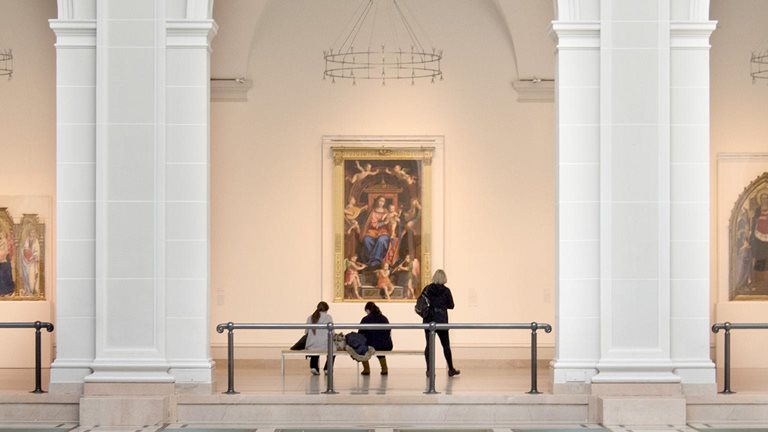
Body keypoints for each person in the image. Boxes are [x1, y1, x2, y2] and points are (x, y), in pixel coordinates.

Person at [421, 269, 460, 377]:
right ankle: (451, 369)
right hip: (441, 321)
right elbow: (451, 305)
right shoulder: (446, 290)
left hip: (429, 321)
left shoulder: (427, 289)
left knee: (429, 346)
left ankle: (429, 370)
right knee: (446, 346)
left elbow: (421, 302)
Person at [358, 301, 393, 375]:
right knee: (380, 348)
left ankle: (366, 369)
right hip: (387, 345)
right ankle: (384, 369)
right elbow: (388, 331)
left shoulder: (365, 319)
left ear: (368, 310)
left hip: (372, 345)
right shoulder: (384, 318)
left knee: (361, 349)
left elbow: (360, 334)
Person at [361, 196, 392, 267]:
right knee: (366, 240)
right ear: (377, 201)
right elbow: (374, 224)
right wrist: (384, 223)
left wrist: (388, 223)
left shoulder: (386, 211)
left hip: (384, 232)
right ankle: (373, 259)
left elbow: (390, 223)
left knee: (381, 240)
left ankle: (375, 261)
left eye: (383, 201)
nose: (381, 203)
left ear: (384, 203)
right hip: (373, 232)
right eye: (380, 201)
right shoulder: (373, 212)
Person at [305, 301, 333, 375]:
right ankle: (327, 368)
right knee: (333, 349)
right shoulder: (328, 317)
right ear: (326, 309)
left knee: (315, 347)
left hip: (311, 345)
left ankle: (314, 367)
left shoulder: (310, 317)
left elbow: (306, 332)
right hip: (325, 345)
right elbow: (332, 332)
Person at [20, 226, 40, 297]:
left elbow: (37, 251)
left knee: (33, 276)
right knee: (27, 275)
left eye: (33, 232)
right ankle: (28, 290)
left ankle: (33, 290)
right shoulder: (27, 240)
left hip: (33, 262)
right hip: (27, 261)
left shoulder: (36, 241)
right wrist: (27, 254)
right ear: (29, 233)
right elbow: (25, 249)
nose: (32, 233)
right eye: (31, 232)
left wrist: (33, 256)